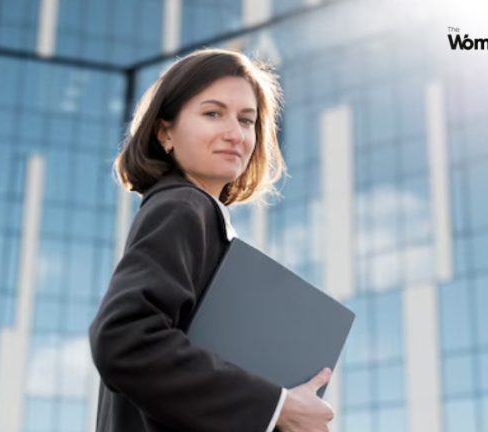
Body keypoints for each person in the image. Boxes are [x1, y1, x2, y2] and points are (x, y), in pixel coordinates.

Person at [88, 48, 335, 432]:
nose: (235, 134)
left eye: (247, 120)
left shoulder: (200, 217)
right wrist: (277, 406)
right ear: (165, 132)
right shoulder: (183, 206)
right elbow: (124, 339)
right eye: (213, 113)